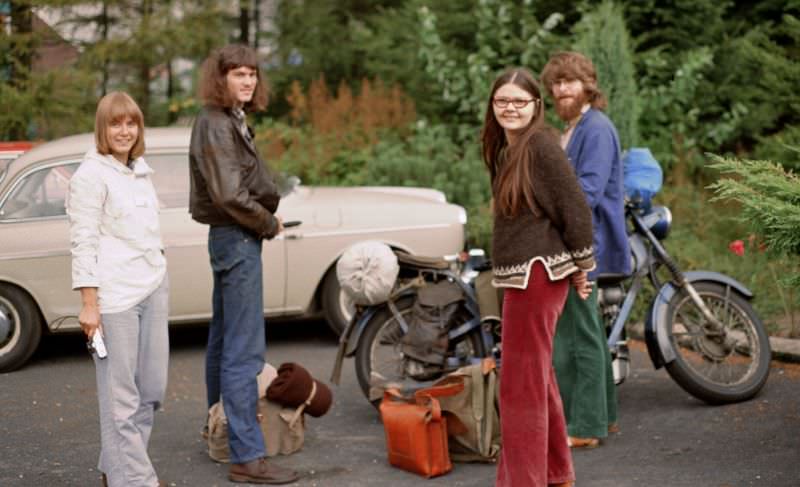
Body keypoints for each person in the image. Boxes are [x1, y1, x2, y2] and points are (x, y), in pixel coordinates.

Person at [188, 44, 298, 485]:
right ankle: (247, 456)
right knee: (243, 349)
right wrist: (268, 222)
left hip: (232, 237)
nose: (248, 81)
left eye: (252, 73)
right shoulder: (216, 122)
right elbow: (230, 195)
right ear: (221, 79)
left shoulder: (230, 119)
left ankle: (220, 432)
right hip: (237, 237)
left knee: (222, 341)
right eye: (237, 74)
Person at [483, 68, 596, 487]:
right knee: (538, 378)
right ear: (492, 107)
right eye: (502, 101)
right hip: (528, 276)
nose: (510, 108)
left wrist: (583, 266)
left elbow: (576, 209)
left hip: (536, 277)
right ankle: (554, 472)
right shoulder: (508, 150)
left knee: (519, 387)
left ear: (536, 106)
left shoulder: (541, 146)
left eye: (519, 101)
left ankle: (524, 481)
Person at [67, 91, 169, 487]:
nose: (124, 131)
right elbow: (83, 242)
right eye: (115, 123)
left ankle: (117, 469)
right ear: (102, 129)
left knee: (151, 392)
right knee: (121, 401)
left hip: (153, 287)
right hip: (115, 299)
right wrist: (89, 305)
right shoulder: (90, 176)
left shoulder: (140, 172)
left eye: (131, 123)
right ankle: (137, 480)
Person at [541, 51, 631, 449]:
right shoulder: (576, 128)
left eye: (570, 82)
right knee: (588, 334)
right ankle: (603, 418)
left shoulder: (594, 128)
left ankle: (583, 426)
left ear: (588, 85)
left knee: (577, 338)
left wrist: (543, 215)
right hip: (578, 242)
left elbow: (588, 192)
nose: (562, 89)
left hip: (585, 246)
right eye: (556, 83)